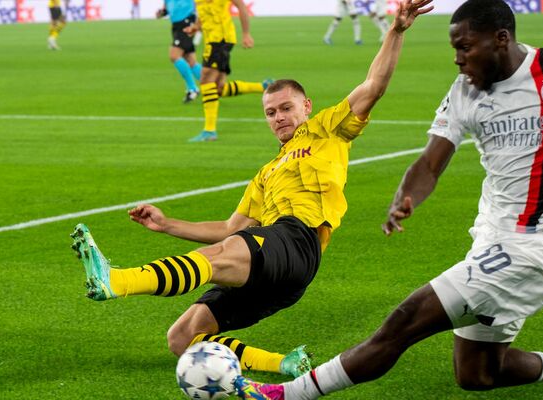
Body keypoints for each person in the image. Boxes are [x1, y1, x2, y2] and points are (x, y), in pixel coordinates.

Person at [236, 0, 543, 399]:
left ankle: (286, 394)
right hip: (491, 239)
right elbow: (431, 160)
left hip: (538, 247)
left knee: (405, 320)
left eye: (465, 47)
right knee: (477, 373)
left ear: (501, 39)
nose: (458, 58)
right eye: (454, 49)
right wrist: (408, 196)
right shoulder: (465, 92)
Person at [70, 0, 432, 381]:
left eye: (286, 108)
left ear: (306, 106)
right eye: (270, 112)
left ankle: (119, 281)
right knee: (183, 337)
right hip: (276, 264)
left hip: (298, 241)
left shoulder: (327, 129)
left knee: (222, 255)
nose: (278, 118)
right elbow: (231, 227)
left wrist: (396, 31)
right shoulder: (265, 173)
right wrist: (168, 224)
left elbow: (374, 85)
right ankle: (284, 364)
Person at [187, 0, 271, 142]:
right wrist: (195, 27)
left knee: (206, 79)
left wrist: (246, 33)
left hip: (221, 38)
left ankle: (209, 131)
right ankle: (264, 87)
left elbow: (241, 6)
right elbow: (204, 14)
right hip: (211, 41)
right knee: (218, 89)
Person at [157, 0, 202, 104]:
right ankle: (212, 86)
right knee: (191, 61)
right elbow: (167, 9)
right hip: (177, 26)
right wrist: (161, 13)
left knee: (174, 55)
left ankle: (193, 88)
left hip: (187, 23)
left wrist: (197, 24)